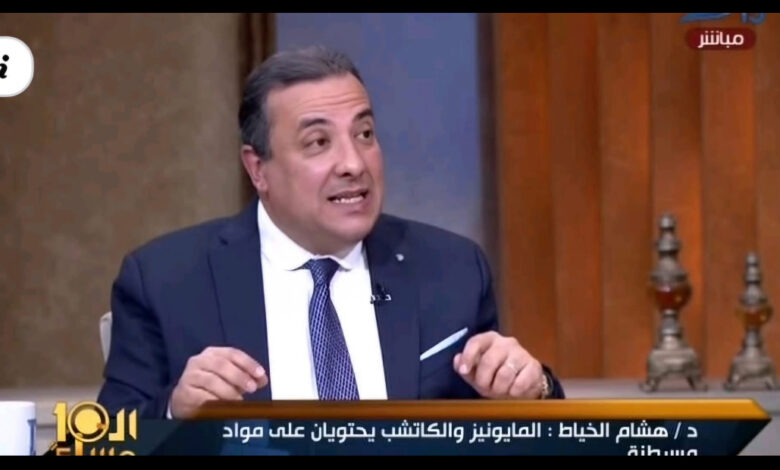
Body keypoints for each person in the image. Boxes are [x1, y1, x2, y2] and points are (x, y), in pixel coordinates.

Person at [96, 45, 564, 419]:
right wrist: (173, 412)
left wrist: (534, 390)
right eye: (318, 142)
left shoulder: (451, 268)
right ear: (258, 169)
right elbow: (101, 441)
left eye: (364, 134)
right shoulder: (166, 281)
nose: (353, 163)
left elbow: (515, 422)